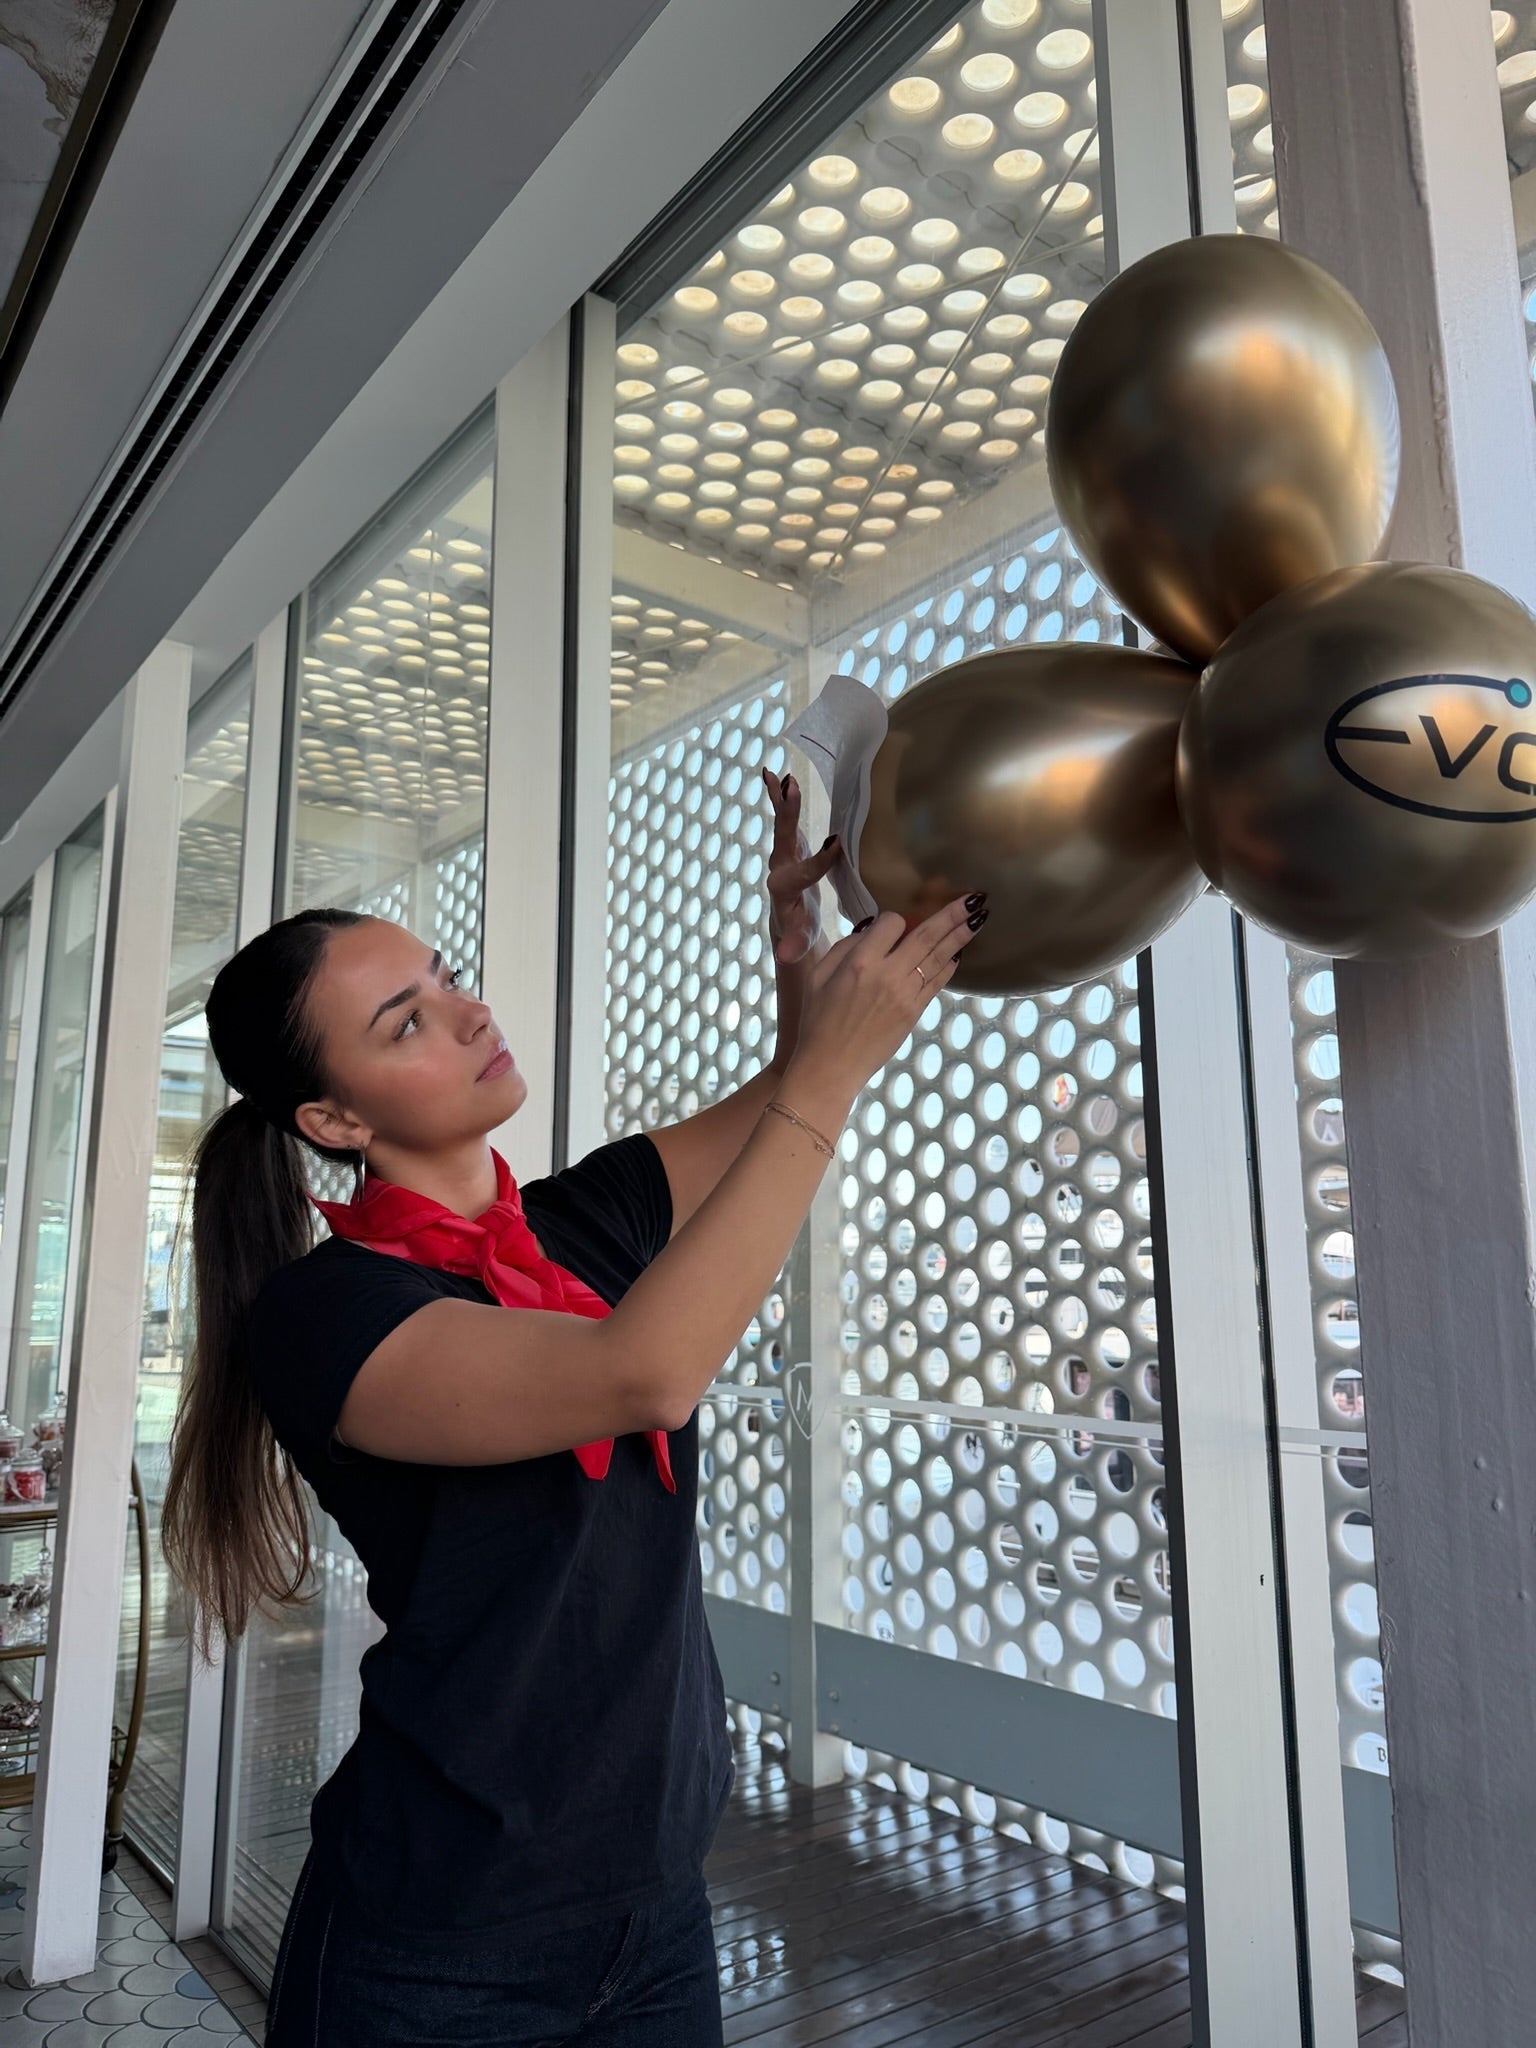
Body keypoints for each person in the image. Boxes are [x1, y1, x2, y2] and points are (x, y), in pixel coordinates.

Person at [160, 771, 989, 2046]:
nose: (467, 1009)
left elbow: (784, 1107)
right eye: (407, 1020)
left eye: (445, 976)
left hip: (654, 1908)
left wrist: (798, 960)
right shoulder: (327, 1312)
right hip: (437, 1942)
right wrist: (823, 1069)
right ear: (333, 1117)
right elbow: (641, 1373)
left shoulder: (583, 1215)